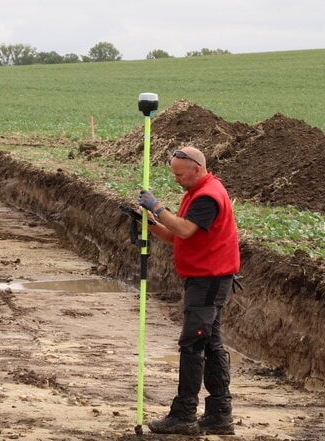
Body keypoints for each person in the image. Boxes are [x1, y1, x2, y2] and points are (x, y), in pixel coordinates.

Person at [138, 146, 240, 435]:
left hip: (208, 280)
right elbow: (176, 235)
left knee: (193, 344)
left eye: (179, 174)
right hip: (206, 278)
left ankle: (184, 414)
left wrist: (156, 207)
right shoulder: (198, 193)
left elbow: (185, 230)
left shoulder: (208, 196)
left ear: (196, 168)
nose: (176, 179)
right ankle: (219, 414)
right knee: (209, 342)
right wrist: (151, 223)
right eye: (174, 175)